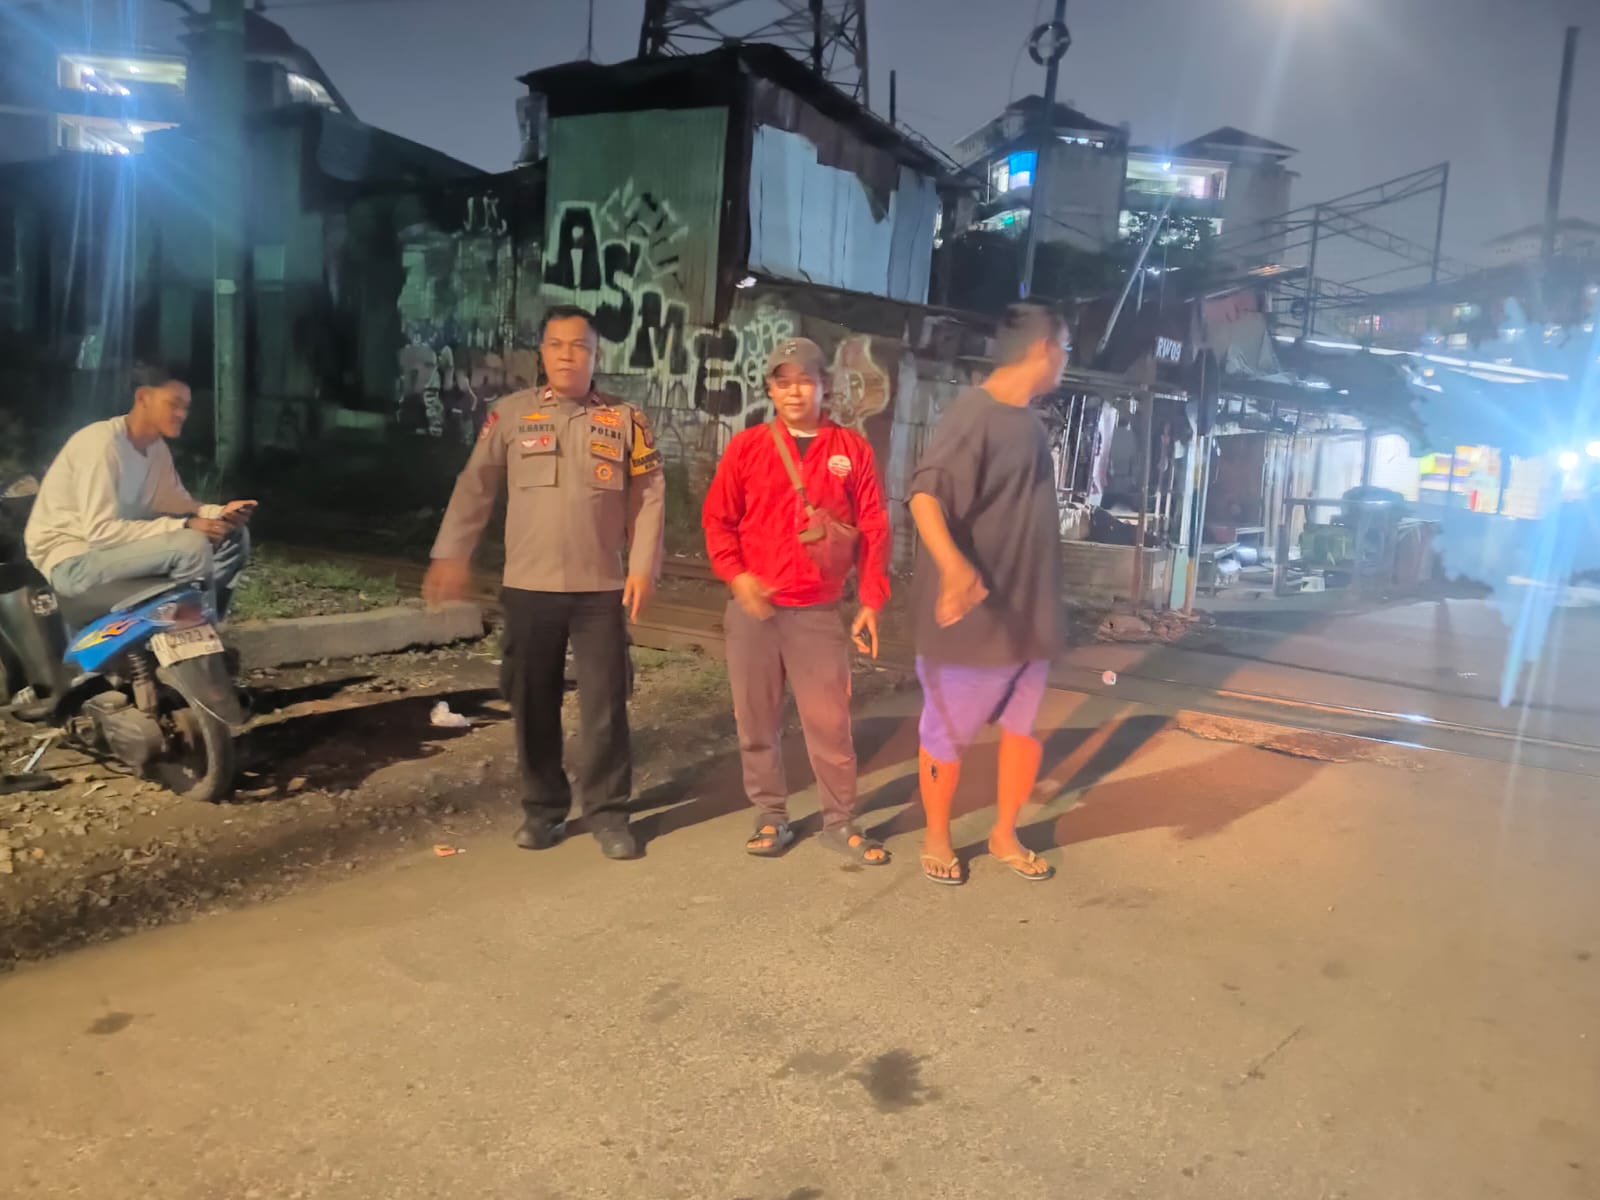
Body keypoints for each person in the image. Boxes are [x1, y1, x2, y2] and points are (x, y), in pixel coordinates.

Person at [425, 305, 665, 861]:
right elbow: (476, 485)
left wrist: (642, 566)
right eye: (557, 344)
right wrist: (452, 552)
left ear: (596, 355)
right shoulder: (511, 414)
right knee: (532, 703)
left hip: (600, 588)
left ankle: (608, 813)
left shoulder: (626, 419)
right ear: (542, 353)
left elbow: (649, 495)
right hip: (529, 586)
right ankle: (543, 810)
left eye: (579, 346)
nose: (567, 355)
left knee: (605, 707)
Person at [702, 337, 893, 863]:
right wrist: (736, 576)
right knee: (756, 720)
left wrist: (872, 599)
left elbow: (874, 524)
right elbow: (718, 520)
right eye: (783, 382)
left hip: (817, 611)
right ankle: (770, 815)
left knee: (830, 724)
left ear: (823, 386)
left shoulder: (851, 450)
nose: (794, 391)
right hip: (754, 609)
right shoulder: (747, 447)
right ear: (770, 389)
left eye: (804, 380)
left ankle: (840, 820)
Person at [908, 302, 1068, 886]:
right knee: (947, 735)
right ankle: (936, 835)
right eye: (1064, 349)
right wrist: (954, 569)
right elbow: (925, 496)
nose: (1065, 362)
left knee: (1021, 734)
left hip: (1026, 617)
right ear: (1043, 348)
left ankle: (1005, 832)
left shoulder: (1028, 423)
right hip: (974, 622)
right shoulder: (973, 414)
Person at [24, 364, 255, 618]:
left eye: (186, 408)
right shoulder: (101, 444)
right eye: (174, 404)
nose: (181, 414)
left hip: (116, 553)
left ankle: (204, 623)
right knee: (191, 545)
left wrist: (221, 514)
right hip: (73, 562)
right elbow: (100, 532)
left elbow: (177, 502)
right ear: (143, 397)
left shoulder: (156, 449)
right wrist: (184, 526)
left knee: (234, 536)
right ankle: (188, 629)